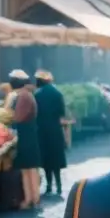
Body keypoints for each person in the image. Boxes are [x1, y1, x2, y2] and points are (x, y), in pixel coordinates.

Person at [7, 70, 42, 208]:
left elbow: (18, 117)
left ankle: (33, 198)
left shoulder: (23, 96)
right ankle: (31, 198)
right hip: (29, 135)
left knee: (30, 168)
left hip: (27, 136)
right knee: (27, 168)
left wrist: (10, 117)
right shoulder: (26, 94)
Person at [34, 69, 67, 197]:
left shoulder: (37, 95)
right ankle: (59, 185)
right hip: (55, 128)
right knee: (56, 158)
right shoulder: (57, 93)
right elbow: (61, 112)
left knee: (46, 159)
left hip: (42, 130)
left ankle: (48, 185)